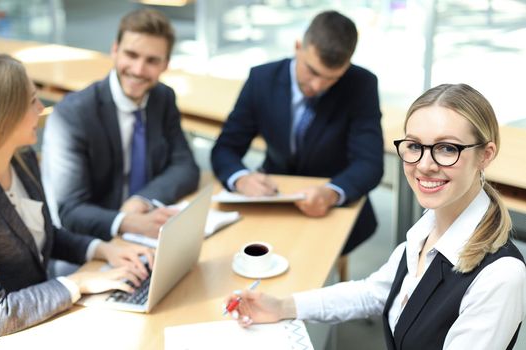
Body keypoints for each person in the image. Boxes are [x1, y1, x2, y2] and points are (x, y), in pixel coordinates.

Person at [225, 84, 526, 349]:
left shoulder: (500, 277)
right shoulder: (431, 223)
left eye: (447, 148)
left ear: (486, 155)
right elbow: (375, 292)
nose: (424, 165)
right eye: (415, 146)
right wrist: (281, 306)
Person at [0, 53, 155, 349]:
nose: (42, 108)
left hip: (42, 318)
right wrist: (78, 284)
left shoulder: (22, 159)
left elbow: (43, 235)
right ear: (4, 117)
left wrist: (103, 249)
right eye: (32, 101)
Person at [211, 10, 383, 254]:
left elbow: (370, 163)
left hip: (330, 206)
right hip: (271, 197)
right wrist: (241, 177)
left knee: (312, 262)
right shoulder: (261, 79)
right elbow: (226, 147)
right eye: (312, 71)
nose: (317, 86)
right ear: (298, 47)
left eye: (331, 78)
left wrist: (332, 193)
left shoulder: (361, 84)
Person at [42, 9, 199, 240]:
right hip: (90, 241)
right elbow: (70, 210)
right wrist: (127, 222)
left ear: (166, 64)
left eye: (152, 61)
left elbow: (185, 166)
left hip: (148, 230)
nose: (138, 70)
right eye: (131, 55)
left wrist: (142, 200)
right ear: (114, 50)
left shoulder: (163, 98)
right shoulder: (73, 114)